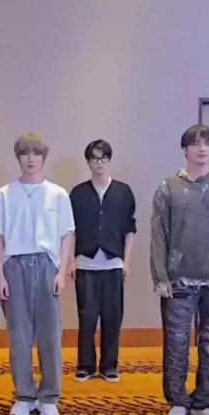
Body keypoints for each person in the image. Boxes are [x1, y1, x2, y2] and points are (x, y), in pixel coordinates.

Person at [150, 124, 209, 415]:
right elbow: (158, 234)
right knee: (176, 344)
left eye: (208, 143)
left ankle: (205, 402)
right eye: (196, 143)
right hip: (178, 282)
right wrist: (160, 277)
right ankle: (177, 401)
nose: (202, 148)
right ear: (185, 149)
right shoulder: (168, 187)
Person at [0, 132, 75, 415]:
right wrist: (0, 275)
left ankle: (49, 396)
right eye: (25, 153)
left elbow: (67, 235)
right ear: (18, 157)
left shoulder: (58, 194)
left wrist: (61, 272)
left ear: (43, 157)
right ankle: (24, 395)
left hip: (47, 265)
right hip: (14, 266)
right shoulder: (4, 194)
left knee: (50, 334)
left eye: (36, 153)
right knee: (19, 334)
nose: (31, 159)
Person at [69, 140, 137, 382]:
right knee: (86, 318)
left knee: (112, 317)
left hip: (113, 264)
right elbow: (71, 231)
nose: (99, 163)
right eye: (94, 158)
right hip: (84, 264)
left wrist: (126, 261)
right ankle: (85, 365)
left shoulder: (123, 192)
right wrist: (70, 261)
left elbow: (130, 229)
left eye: (103, 158)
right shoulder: (77, 193)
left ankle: (109, 365)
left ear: (109, 160)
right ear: (88, 162)